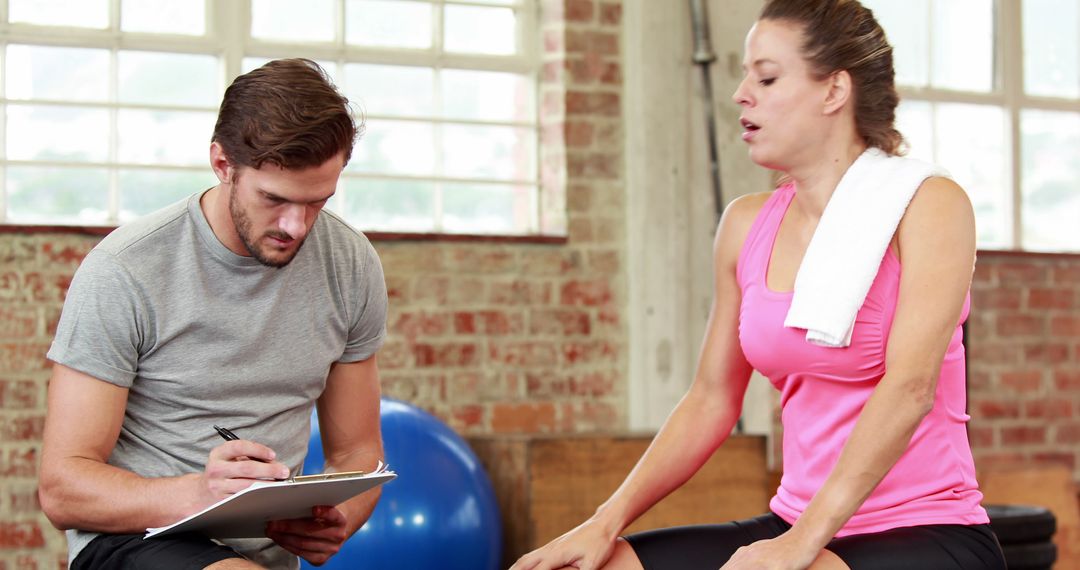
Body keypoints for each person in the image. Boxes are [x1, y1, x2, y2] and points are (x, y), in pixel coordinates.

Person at [511, 1, 1006, 569]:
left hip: (926, 529)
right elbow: (711, 398)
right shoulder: (746, 224)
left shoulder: (930, 206)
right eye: (746, 76)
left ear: (833, 91)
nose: (741, 93)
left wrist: (801, 545)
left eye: (766, 77)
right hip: (797, 520)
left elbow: (911, 388)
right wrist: (603, 522)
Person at [37, 58, 388, 570]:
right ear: (222, 164)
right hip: (136, 539)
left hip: (261, 553)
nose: (296, 226)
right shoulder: (125, 269)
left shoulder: (351, 264)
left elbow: (357, 453)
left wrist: (339, 515)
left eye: (317, 202)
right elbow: (62, 489)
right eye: (274, 199)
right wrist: (201, 493)